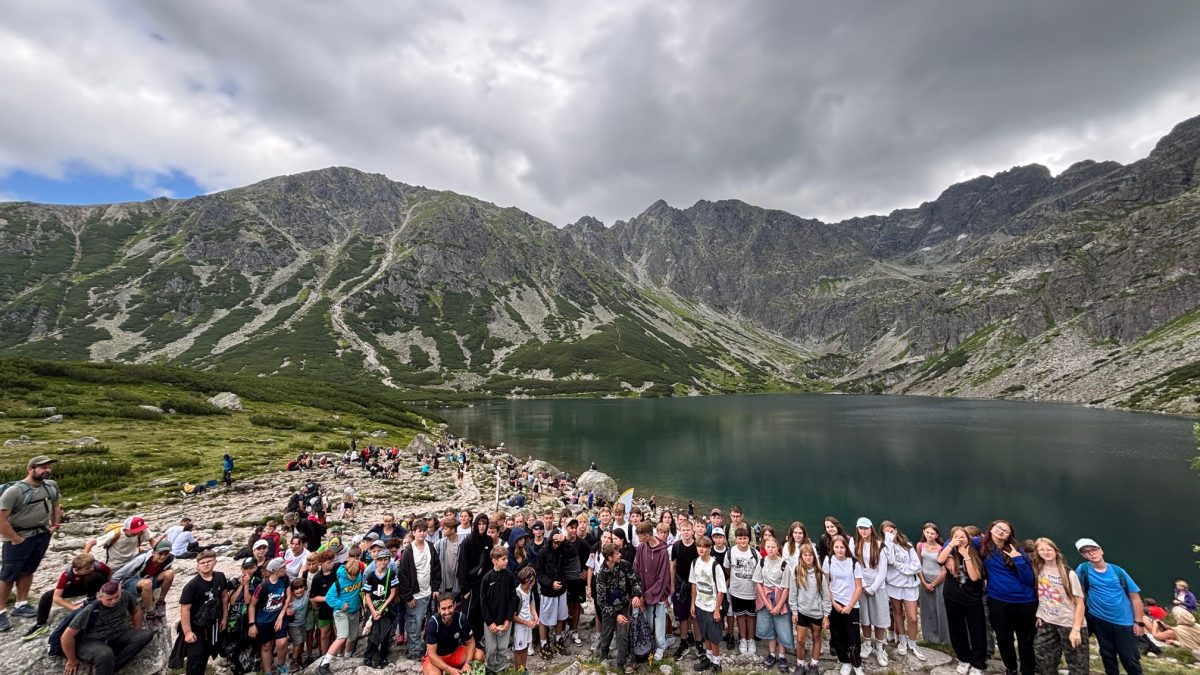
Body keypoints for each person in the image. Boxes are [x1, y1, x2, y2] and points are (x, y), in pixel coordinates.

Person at [0, 455, 62, 631]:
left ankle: (21, 604)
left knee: (29, 570)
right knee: (8, 575)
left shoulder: (51, 486)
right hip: (18, 537)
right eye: (42, 467)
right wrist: (15, 538)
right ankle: (1, 611)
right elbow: (1, 518)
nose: (47, 470)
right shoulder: (14, 491)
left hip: (41, 535)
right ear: (30, 469)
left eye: (49, 467)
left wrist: (55, 525)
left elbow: (56, 505)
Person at [1075, 537, 1144, 675]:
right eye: (1086, 552)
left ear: (1101, 551)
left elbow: (1135, 597)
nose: (1091, 553)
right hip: (1099, 619)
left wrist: (1139, 622)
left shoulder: (1118, 571)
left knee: (1129, 657)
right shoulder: (1082, 570)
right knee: (1107, 655)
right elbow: (1078, 592)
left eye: (1094, 549)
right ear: (1083, 555)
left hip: (1123, 621)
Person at [59, 580, 157, 675]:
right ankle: (107, 667)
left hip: (119, 634)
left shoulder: (125, 595)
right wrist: (72, 660)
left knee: (145, 634)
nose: (114, 601)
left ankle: (112, 666)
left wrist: (136, 629)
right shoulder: (90, 609)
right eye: (109, 599)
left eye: (116, 597)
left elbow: (136, 611)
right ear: (100, 597)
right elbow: (66, 637)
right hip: (92, 641)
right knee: (105, 654)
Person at [978, 520, 1037, 675]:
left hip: (1024, 601)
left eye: (1005, 531)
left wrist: (1018, 560)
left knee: (1025, 640)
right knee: (1004, 638)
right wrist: (949, 557)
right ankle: (1011, 668)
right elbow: (958, 537)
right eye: (999, 528)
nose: (1001, 532)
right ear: (991, 529)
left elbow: (1029, 580)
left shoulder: (1016, 550)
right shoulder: (983, 545)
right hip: (998, 600)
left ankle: (1028, 670)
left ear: (1009, 535)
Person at [22, 553, 110, 641]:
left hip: (98, 584)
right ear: (77, 569)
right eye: (87, 568)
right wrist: (72, 607)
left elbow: (109, 576)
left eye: (92, 566)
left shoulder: (99, 566)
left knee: (93, 576)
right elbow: (56, 597)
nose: (92, 568)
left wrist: (107, 592)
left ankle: (91, 599)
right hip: (80, 587)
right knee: (47, 595)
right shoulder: (67, 575)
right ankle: (41, 624)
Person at [1032, 538, 1086, 675]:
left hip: (1069, 623)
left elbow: (1080, 603)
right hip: (1047, 621)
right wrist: (1040, 613)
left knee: (1078, 663)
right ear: (1037, 552)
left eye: (1049, 549)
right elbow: (1043, 595)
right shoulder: (1038, 569)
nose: (1046, 552)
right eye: (1042, 550)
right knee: (1042, 655)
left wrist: (1076, 629)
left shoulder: (1068, 573)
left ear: (1055, 551)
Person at [938, 526, 987, 675]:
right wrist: (950, 547)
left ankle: (978, 663)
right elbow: (940, 560)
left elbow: (974, 577)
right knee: (956, 629)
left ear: (969, 538)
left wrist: (966, 556)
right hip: (952, 596)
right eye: (956, 537)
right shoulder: (950, 551)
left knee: (977, 630)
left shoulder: (975, 551)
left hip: (972, 598)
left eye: (963, 536)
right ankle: (963, 658)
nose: (960, 539)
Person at [179, 550, 228, 675]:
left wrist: (224, 618)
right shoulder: (191, 586)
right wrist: (188, 632)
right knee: (195, 656)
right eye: (202, 563)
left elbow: (224, 596)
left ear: (215, 562)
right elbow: (185, 610)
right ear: (197, 566)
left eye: (209, 561)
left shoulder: (220, 577)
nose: (206, 564)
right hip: (196, 625)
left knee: (208, 651)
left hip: (214, 623)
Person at [597, 541, 643, 674]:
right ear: (610, 557)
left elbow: (635, 581)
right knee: (606, 634)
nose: (620, 555)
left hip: (623, 606)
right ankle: (603, 656)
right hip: (609, 610)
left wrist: (636, 595)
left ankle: (620, 664)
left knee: (623, 635)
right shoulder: (601, 575)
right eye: (617, 553)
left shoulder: (624, 565)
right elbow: (601, 601)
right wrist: (615, 615)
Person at [882, 520, 925, 660]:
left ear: (896, 530)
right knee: (898, 613)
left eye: (891, 531)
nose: (890, 534)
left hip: (910, 585)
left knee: (912, 617)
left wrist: (901, 567)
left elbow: (917, 566)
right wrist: (888, 542)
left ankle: (913, 643)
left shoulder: (908, 545)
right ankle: (902, 640)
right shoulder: (885, 547)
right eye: (886, 532)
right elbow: (890, 561)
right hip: (894, 585)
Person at [400, 519, 443, 658]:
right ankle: (414, 654)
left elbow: (436, 567)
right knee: (414, 626)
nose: (422, 533)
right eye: (419, 531)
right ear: (414, 532)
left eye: (424, 531)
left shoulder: (430, 546)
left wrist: (435, 587)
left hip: (429, 592)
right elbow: (403, 576)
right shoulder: (408, 551)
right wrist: (408, 597)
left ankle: (429, 651)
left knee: (431, 624)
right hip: (415, 596)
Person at [823, 534, 865, 675]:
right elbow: (826, 584)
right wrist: (833, 602)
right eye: (836, 547)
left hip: (851, 604)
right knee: (837, 635)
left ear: (846, 548)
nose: (839, 550)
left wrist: (850, 606)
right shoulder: (828, 561)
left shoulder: (854, 563)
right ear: (832, 548)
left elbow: (859, 587)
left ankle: (856, 664)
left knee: (853, 636)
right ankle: (845, 662)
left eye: (842, 547)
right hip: (835, 602)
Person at [316, 558, 365, 675]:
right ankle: (324, 664)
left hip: (354, 611)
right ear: (346, 572)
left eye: (355, 576)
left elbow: (362, 588)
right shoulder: (339, 582)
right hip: (341, 611)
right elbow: (329, 597)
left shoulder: (359, 576)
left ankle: (347, 658)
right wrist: (341, 604)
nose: (352, 578)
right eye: (350, 576)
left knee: (353, 636)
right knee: (342, 636)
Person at [632, 520, 672, 661]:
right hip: (643, 591)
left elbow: (663, 577)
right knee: (647, 620)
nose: (638, 538)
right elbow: (636, 570)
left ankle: (661, 646)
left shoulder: (663, 552)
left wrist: (648, 595)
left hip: (658, 593)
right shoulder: (641, 548)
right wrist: (639, 593)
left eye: (640, 535)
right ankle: (649, 645)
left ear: (647, 535)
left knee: (659, 620)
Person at [789, 542, 830, 675]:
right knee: (800, 639)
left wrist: (826, 615)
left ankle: (813, 664)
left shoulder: (819, 573)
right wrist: (794, 611)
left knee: (816, 637)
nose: (808, 557)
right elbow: (793, 592)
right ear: (801, 556)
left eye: (810, 555)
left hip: (817, 612)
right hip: (802, 611)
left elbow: (825, 595)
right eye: (805, 555)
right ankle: (800, 664)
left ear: (814, 556)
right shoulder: (796, 571)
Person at [753, 537, 793, 671]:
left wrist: (779, 606)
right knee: (768, 627)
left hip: (779, 597)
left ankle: (782, 655)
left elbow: (786, 587)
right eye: (768, 547)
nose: (770, 549)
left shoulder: (784, 565)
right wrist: (766, 603)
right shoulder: (762, 562)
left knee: (782, 627)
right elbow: (758, 582)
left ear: (778, 549)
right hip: (765, 597)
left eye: (773, 547)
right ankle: (771, 654)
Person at [112, 538, 176, 622]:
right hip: (131, 581)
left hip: (149, 578)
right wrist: (114, 590)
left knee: (170, 573)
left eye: (166, 553)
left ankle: (160, 602)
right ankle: (151, 615)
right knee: (147, 583)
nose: (163, 556)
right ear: (154, 552)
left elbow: (165, 573)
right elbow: (120, 573)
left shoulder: (169, 559)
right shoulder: (142, 559)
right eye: (160, 553)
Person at [422, 594, 484, 675]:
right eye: (443, 608)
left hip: (454, 652)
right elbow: (432, 655)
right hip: (437, 656)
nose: (447, 612)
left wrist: (468, 663)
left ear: (454, 605)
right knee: (434, 674)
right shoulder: (433, 623)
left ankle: (464, 671)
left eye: (450, 607)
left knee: (479, 655)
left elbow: (471, 643)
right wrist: (449, 670)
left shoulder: (461, 618)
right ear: (438, 609)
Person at [249, 557, 291, 675]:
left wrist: (281, 616)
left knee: (282, 642)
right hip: (264, 620)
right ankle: (267, 671)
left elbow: (288, 597)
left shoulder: (285, 579)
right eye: (283, 567)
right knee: (266, 646)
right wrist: (252, 624)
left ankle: (281, 665)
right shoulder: (262, 586)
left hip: (279, 616)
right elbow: (252, 605)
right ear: (275, 570)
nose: (286, 568)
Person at [481, 546, 519, 675]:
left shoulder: (509, 576)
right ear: (494, 561)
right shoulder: (487, 578)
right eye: (503, 559)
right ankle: (491, 669)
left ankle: (501, 668)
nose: (507, 561)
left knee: (502, 648)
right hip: (490, 621)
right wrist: (489, 623)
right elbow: (483, 602)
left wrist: (508, 619)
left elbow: (513, 598)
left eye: (507, 558)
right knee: (491, 649)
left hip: (505, 620)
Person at [457, 513, 493, 642]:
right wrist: (464, 589)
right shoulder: (468, 541)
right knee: (469, 614)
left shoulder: (488, 540)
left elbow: (489, 563)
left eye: (484, 524)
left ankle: (477, 640)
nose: (482, 527)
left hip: (484, 583)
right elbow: (462, 566)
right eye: (479, 524)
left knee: (481, 613)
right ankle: (465, 641)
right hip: (471, 585)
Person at [725, 526, 761, 656]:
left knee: (751, 616)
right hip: (736, 590)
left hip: (752, 591)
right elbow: (727, 568)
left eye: (745, 538)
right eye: (740, 538)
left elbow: (760, 570)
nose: (742, 541)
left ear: (749, 539)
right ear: (736, 539)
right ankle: (743, 639)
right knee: (740, 616)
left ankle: (751, 640)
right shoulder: (731, 552)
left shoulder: (755, 553)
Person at [671, 517, 702, 660]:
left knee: (695, 615)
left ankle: (699, 643)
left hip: (695, 585)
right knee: (683, 616)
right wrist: (672, 586)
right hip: (680, 585)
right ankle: (683, 643)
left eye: (688, 530)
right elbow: (673, 566)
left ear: (693, 531)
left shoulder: (697, 546)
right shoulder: (676, 546)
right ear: (680, 531)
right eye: (683, 530)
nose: (686, 532)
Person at [361, 550, 399, 668]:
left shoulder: (391, 574)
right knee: (373, 632)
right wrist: (373, 611)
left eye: (385, 559)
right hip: (373, 607)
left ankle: (383, 656)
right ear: (375, 561)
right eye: (380, 560)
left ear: (388, 560)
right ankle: (369, 656)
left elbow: (392, 593)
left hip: (387, 608)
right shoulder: (371, 575)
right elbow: (367, 595)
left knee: (385, 633)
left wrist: (382, 609)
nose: (383, 562)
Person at [536, 530, 570, 657]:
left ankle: (558, 639)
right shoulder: (543, 552)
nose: (556, 545)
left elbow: (573, 553)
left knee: (561, 616)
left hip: (561, 590)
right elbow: (539, 572)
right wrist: (550, 583)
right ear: (550, 541)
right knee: (544, 619)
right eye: (554, 543)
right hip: (548, 592)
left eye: (558, 543)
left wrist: (564, 541)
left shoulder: (563, 550)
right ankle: (544, 644)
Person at [916, 523, 949, 645]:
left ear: (937, 535)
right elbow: (918, 565)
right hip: (924, 580)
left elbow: (944, 571)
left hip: (938, 581)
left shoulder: (941, 548)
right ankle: (929, 638)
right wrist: (924, 582)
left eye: (932, 533)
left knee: (941, 609)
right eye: (927, 532)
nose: (929, 535)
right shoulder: (920, 545)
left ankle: (944, 639)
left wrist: (933, 584)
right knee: (926, 609)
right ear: (924, 532)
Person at [84, 515, 158, 569]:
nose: (140, 532)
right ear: (126, 529)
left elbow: (151, 539)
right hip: (113, 565)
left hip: (131, 560)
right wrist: (84, 558)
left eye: (141, 529)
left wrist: (157, 551)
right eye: (135, 531)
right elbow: (91, 542)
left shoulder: (143, 530)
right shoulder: (115, 534)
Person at [513, 565, 541, 672]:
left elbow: (531, 603)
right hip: (520, 627)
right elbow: (513, 616)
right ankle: (518, 671)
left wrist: (535, 615)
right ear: (529, 581)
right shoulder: (517, 594)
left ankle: (524, 669)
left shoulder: (529, 590)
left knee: (525, 647)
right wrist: (526, 622)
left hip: (528, 624)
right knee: (519, 650)